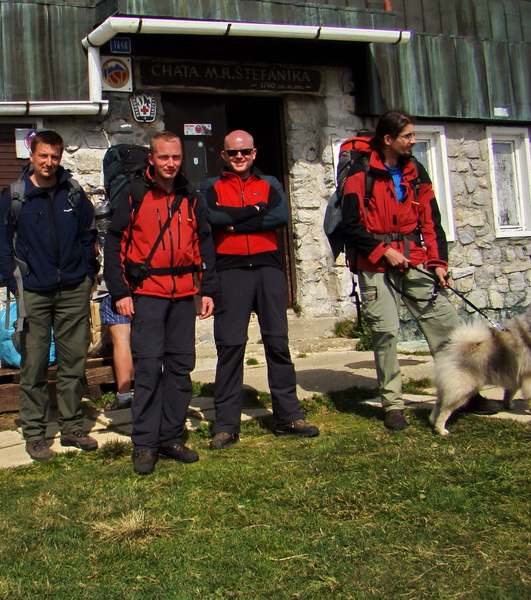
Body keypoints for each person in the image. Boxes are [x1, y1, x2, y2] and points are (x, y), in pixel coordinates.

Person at [341, 110, 500, 430]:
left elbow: (432, 222)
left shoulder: (417, 171)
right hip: (374, 264)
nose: (414, 141)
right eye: (408, 136)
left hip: (415, 260)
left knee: (447, 327)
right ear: (388, 140)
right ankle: (393, 405)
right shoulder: (360, 173)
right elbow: (351, 225)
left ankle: (466, 395)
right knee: (385, 333)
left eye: (414, 135)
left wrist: (439, 263)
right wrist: (384, 250)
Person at [104, 131, 217, 475]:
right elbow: (114, 243)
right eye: (164, 157)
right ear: (151, 159)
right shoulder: (135, 195)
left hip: (184, 295)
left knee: (181, 369)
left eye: (176, 157)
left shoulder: (190, 196)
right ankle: (145, 444)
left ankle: (171, 436)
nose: (171, 164)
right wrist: (120, 292)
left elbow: (205, 243)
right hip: (147, 296)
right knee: (150, 370)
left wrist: (207, 289)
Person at [200, 130, 319, 450]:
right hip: (230, 272)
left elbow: (279, 215)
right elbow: (212, 216)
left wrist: (235, 223)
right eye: (233, 153)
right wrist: (256, 212)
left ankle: (289, 416)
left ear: (254, 154)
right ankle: (225, 424)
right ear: (223, 156)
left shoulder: (270, 184)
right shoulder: (211, 186)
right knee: (230, 347)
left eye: (245, 152)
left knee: (278, 343)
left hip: (268, 269)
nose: (239, 157)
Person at [0, 130, 99, 461]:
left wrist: (87, 273)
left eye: (55, 156)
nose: (49, 162)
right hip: (33, 293)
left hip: (72, 290)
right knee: (34, 364)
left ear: (60, 156)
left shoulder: (74, 194)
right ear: (32, 156)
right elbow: (0, 246)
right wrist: (16, 283)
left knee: (73, 362)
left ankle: (71, 427)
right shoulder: (14, 196)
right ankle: (36, 433)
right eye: (43, 156)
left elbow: (88, 235)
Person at [99, 295, 134, 411]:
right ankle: (152, 392)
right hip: (145, 291)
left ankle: (125, 396)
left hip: (116, 291)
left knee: (121, 340)